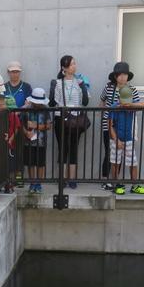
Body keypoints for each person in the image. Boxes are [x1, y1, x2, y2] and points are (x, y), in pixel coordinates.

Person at [49, 55, 89, 188]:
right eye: (71, 64)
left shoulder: (80, 82)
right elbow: (53, 102)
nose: (74, 66)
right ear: (64, 68)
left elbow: (85, 102)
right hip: (61, 118)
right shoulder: (57, 83)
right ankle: (62, 179)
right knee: (63, 148)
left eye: (74, 64)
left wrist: (83, 87)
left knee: (73, 148)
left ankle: (72, 179)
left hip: (76, 119)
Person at [101, 62, 131, 186]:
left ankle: (115, 181)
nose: (122, 77)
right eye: (120, 75)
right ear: (115, 76)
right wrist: (105, 116)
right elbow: (102, 101)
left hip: (124, 127)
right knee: (109, 152)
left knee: (119, 154)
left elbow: (135, 104)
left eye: (125, 74)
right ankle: (105, 180)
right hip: (108, 125)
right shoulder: (108, 88)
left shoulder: (131, 89)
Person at [21, 88, 51, 193]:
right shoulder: (25, 109)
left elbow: (48, 125)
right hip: (28, 141)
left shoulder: (46, 109)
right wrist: (26, 132)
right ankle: (32, 183)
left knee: (40, 163)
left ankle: (38, 183)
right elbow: (20, 124)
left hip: (41, 142)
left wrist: (36, 126)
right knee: (30, 163)